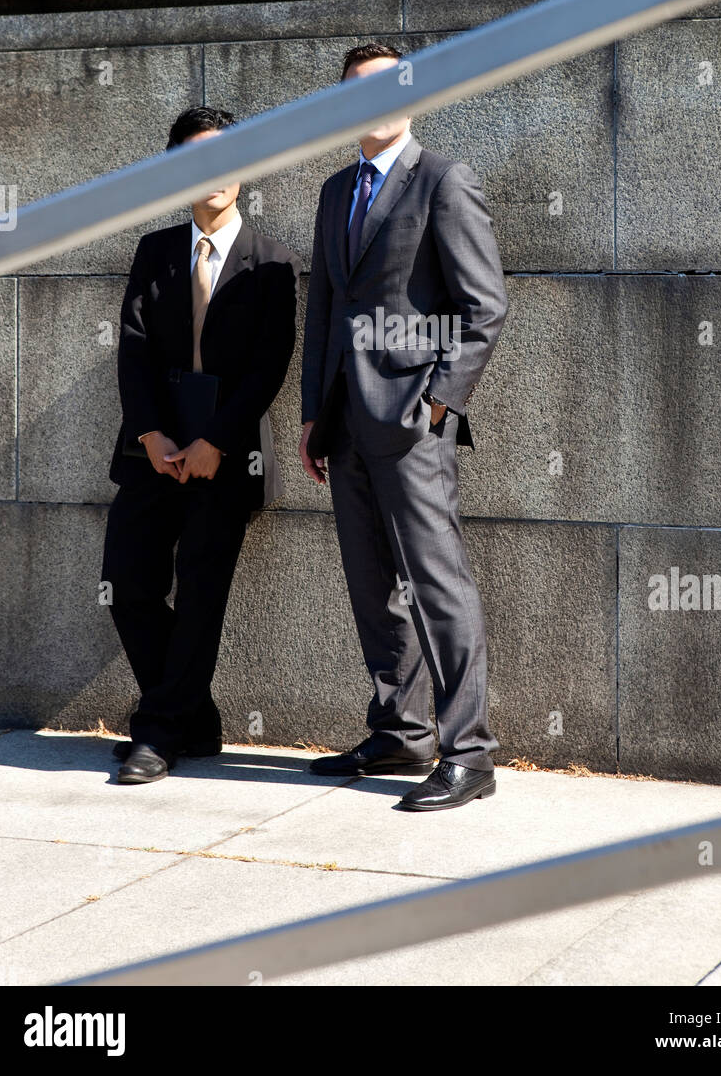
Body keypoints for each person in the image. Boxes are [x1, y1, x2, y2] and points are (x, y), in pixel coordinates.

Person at [300, 44, 508, 811]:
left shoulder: (444, 180)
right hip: (346, 422)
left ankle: (470, 753)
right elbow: (323, 307)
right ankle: (400, 729)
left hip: (414, 421)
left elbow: (483, 309)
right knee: (371, 586)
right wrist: (312, 415)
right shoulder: (333, 193)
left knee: (435, 585)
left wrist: (438, 407)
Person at [102, 105, 300, 785]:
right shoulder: (154, 250)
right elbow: (131, 350)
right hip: (150, 449)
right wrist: (152, 432)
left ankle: (156, 732)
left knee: (201, 593)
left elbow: (269, 366)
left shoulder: (272, 262)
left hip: (226, 453)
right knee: (128, 584)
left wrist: (218, 439)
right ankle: (193, 716)